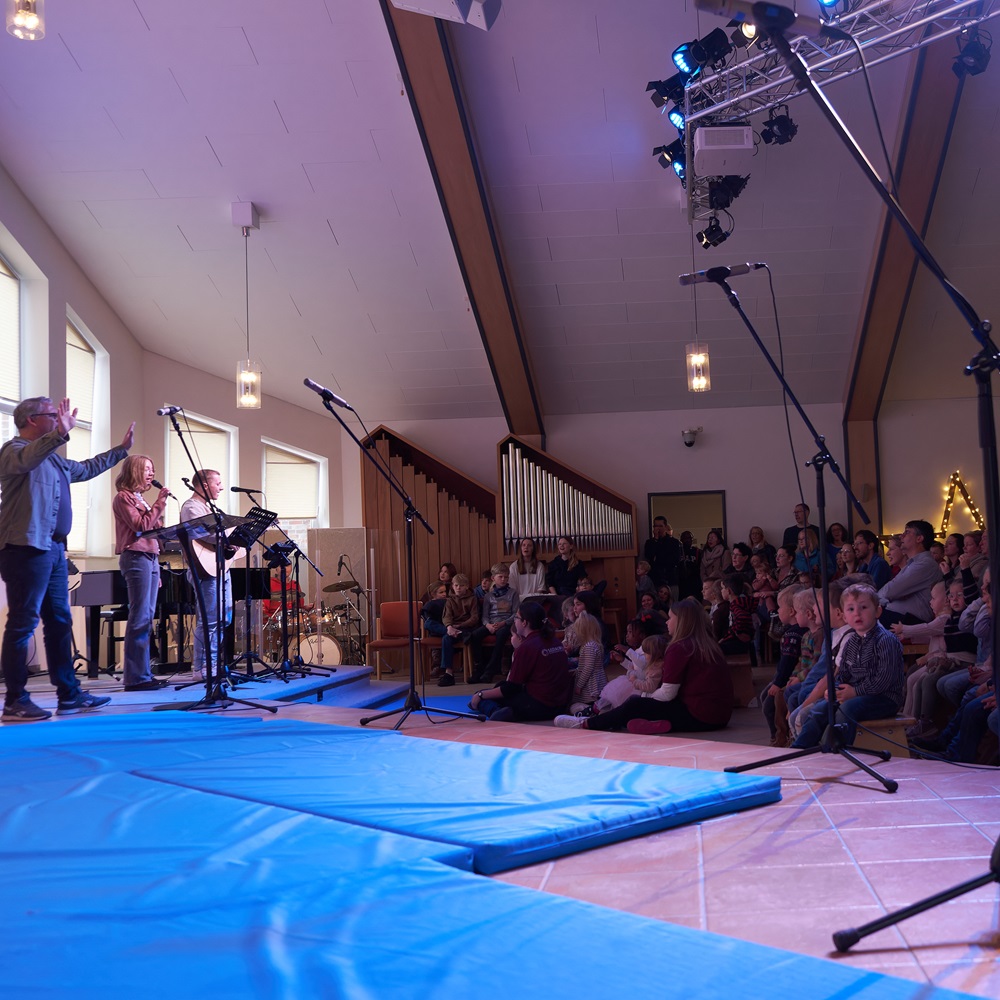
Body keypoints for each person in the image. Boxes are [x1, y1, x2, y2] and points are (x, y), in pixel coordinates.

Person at [0, 396, 132, 722]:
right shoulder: (13, 451)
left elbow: (86, 469)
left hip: (55, 551)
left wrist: (121, 450)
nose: (61, 418)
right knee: (22, 624)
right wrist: (58, 433)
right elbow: (28, 459)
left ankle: (69, 695)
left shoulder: (55, 460)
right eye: (53, 414)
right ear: (32, 420)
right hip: (26, 549)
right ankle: (15, 700)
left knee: (59, 623)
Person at [553, 597, 733, 734]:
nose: (666, 622)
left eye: (670, 618)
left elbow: (668, 694)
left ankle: (586, 723)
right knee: (641, 705)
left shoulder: (681, 647)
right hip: (720, 717)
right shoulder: (708, 644)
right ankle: (658, 724)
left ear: (682, 622)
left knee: (634, 704)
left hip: (700, 715)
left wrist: (644, 698)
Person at [792, 583, 905, 748]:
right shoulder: (852, 641)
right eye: (851, 609)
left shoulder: (885, 640)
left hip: (884, 698)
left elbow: (883, 680)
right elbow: (843, 673)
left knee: (847, 708)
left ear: (878, 611)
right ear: (845, 616)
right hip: (856, 694)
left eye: (864, 607)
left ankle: (838, 752)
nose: (857, 613)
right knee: (821, 708)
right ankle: (800, 749)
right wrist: (835, 690)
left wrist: (854, 691)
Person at [112, 454, 170, 691]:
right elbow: (140, 527)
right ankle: (135, 678)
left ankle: (143, 674)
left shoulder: (141, 499)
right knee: (139, 617)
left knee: (147, 617)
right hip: (136, 556)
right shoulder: (123, 498)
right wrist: (160, 504)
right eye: (147, 469)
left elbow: (153, 528)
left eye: (153, 469)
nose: (151, 473)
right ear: (135, 470)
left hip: (151, 557)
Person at [469, 601, 573, 722]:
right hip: (559, 704)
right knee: (499, 687)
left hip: (539, 705)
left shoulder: (527, 647)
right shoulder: (553, 640)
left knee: (484, 696)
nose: (515, 620)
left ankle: (495, 711)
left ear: (524, 623)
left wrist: (481, 694)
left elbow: (512, 688)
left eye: (517, 617)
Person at [181, 469, 236, 683]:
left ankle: (214, 663)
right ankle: (202, 667)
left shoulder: (212, 508)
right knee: (210, 620)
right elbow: (204, 533)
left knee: (224, 618)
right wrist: (232, 533)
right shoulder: (191, 507)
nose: (221, 487)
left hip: (221, 568)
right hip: (205, 570)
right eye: (218, 483)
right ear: (204, 485)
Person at [877, 519, 941, 625]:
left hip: (911, 620)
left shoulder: (924, 564)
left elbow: (890, 591)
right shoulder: (911, 564)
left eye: (907, 532)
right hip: (897, 616)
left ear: (919, 538)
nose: (901, 536)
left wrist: (880, 599)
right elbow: (890, 591)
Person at [470, 563, 520, 684]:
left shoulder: (513, 593)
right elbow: (485, 616)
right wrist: (488, 625)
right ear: (493, 578)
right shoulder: (488, 596)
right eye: (501, 577)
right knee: (474, 635)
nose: (504, 580)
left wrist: (503, 623)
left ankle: (490, 671)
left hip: (506, 623)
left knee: (501, 635)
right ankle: (479, 668)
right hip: (491, 624)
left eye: (506, 577)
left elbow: (515, 614)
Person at [437, 572, 479, 686]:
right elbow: (446, 616)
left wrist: (460, 626)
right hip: (453, 628)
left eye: (461, 585)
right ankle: (449, 673)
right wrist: (449, 627)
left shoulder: (473, 599)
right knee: (446, 638)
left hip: (467, 628)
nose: (458, 588)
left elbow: (474, 618)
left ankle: (474, 669)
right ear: (452, 586)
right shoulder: (450, 600)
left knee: (470, 636)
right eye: (456, 585)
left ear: (466, 586)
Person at [643, 516, 681, 599]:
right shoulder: (650, 543)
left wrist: (659, 559)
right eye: (655, 526)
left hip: (670, 579)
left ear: (665, 527)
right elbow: (649, 556)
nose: (658, 528)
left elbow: (675, 560)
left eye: (660, 526)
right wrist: (656, 539)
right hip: (655, 580)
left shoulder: (673, 542)